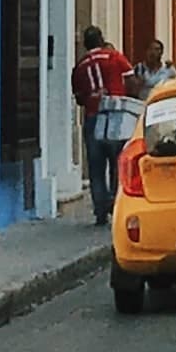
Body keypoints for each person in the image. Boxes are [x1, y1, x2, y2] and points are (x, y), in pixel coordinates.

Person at [70, 23, 133, 226]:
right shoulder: (114, 57)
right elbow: (132, 80)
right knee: (118, 164)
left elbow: (79, 97)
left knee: (96, 168)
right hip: (115, 115)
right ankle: (115, 205)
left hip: (92, 116)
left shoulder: (80, 66)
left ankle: (99, 210)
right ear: (101, 39)